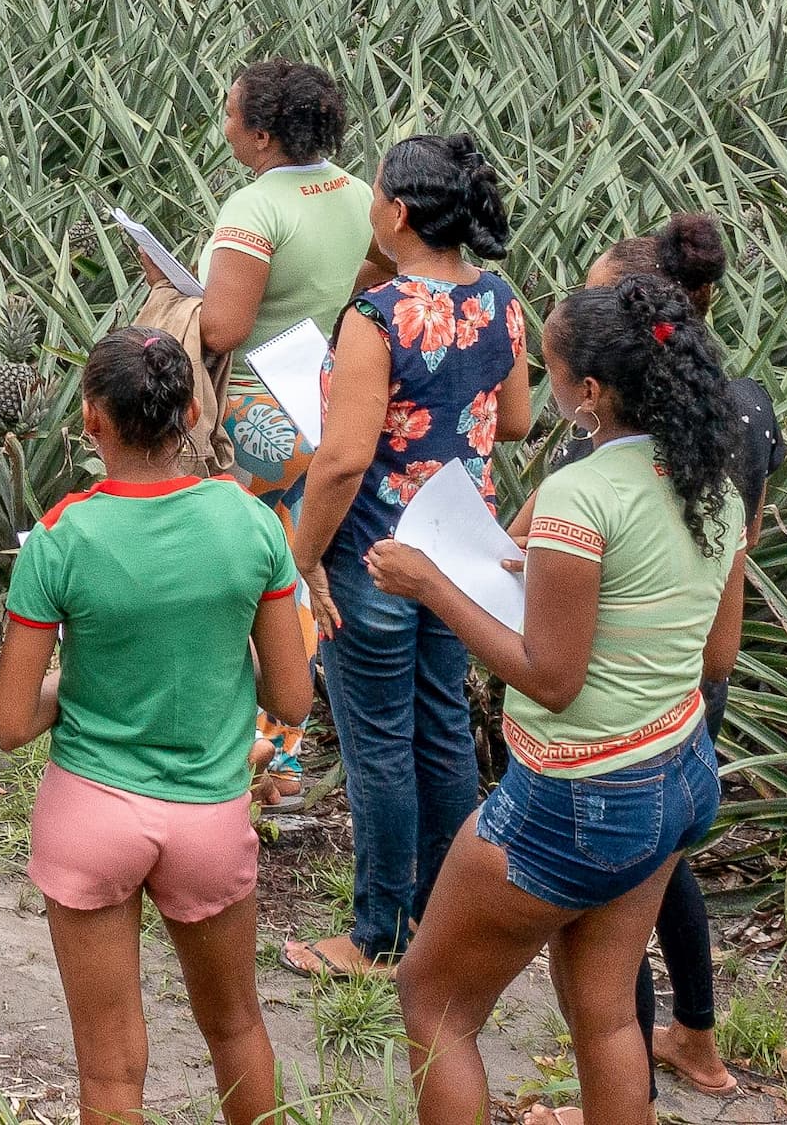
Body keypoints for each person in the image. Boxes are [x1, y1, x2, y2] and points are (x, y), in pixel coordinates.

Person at [369, 273, 748, 1125]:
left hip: (577, 796)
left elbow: (550, 678)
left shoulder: (581, 496)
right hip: (678, 771)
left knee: (434, 1001)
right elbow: (717, 652)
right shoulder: (712, 481)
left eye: (548, 372)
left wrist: (432, 584)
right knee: (606, 1010)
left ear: (590, 394)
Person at [0, 330, 309, 1125]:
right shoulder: (251, 525)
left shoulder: (62, 536)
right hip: (207, 816)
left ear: (92, 419)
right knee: (236, 1026)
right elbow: (293, 699)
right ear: (193, 411)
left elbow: (8, 723)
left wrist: (77, 685)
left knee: (108, 1069)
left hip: (90, 816)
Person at [283, 133, 530, 981]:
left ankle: (378, 932)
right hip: (461, 551)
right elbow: (520, 417)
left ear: (395, 211)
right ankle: (444, 917)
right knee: (442, 730)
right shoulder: (500, 298)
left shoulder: (378, 317)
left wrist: (304, 555)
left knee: (380, 740)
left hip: (378, 552)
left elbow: (344, 457)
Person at [554, 215, 780, 1101]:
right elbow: (742, 541)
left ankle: (623, 1087)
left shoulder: (607, 439)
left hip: (617, 685)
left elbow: (564, 616)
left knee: (614, 909)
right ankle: (697, 1036)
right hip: (693, 675)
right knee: (663, 859)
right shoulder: (747, 404)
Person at [156, 58, 372, 804]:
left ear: (261, 131)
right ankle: (281, 755)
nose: (223, 126)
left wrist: (171, 289)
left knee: (236, 571)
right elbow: (371, 280)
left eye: (230, 114)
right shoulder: (358, 195)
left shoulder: (253, 209)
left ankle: (234, 748)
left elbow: (223, 324)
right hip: (320, 392)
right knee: (295, 570)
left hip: (253, 409)